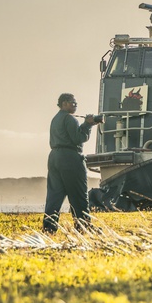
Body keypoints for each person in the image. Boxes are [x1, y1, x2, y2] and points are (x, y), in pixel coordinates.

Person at [44, 93, 102, 234]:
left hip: (54, 157)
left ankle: (49, 228)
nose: (75, 105)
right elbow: (78, 138)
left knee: (54, 195)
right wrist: (87, 125)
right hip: (70, 157)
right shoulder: (70, 119)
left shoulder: (55, 119)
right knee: (78, 194)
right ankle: (83, 226)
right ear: (64, 103)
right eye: (73, 103)